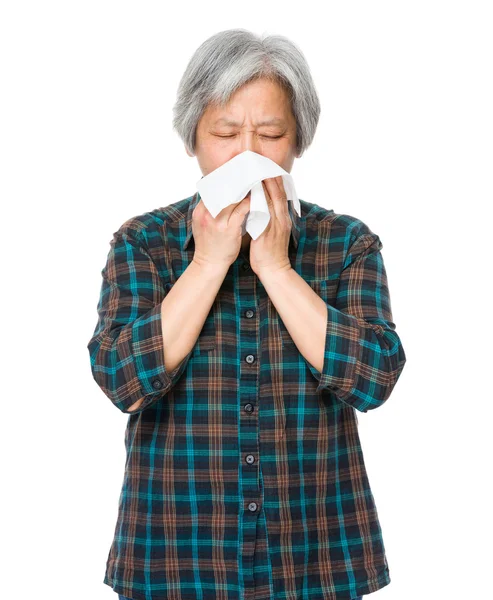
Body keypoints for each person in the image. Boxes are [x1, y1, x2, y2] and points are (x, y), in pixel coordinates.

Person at [87, 28, 406, 600]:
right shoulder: (144, 242)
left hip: (317, 560)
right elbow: (122, 381)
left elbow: (374, 378)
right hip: (173, 559)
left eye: (271, 134)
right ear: (193, 139)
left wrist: (278, 269)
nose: (248, 156)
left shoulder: (346, 243)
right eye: (226, 133)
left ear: (298, 142)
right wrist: (207, 265)